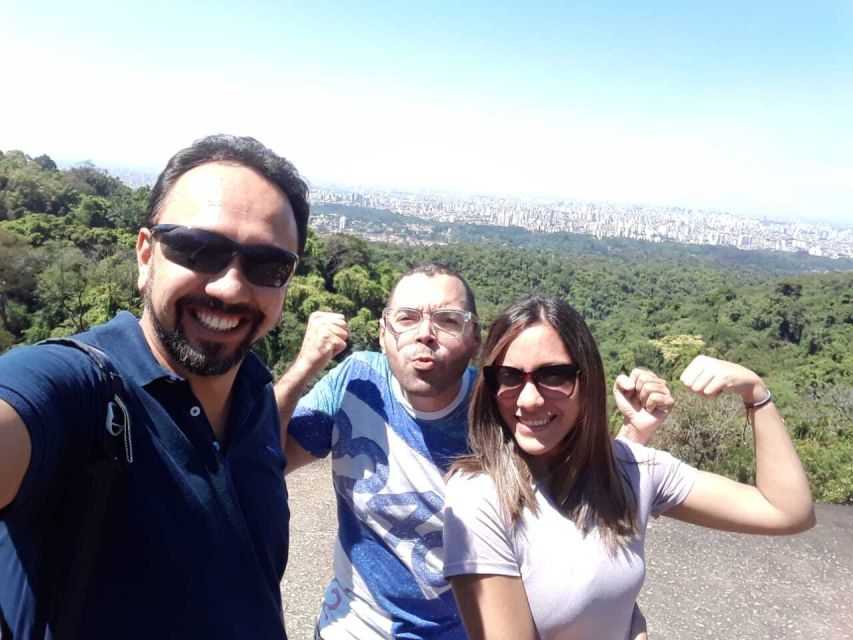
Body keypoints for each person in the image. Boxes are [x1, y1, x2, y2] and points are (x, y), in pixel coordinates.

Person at [0, 134, 309, 639]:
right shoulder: (77, 388)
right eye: (199, 249)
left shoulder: (254, 392)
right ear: (146, 256)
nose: (230, 286)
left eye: (266, 265)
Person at [275, 266, 662, 640]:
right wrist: (303, 367)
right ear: (382, 332)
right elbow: (266, 460)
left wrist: (632, 434)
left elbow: (579, 486)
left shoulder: (501, 408)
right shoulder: (357, 383)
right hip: (354, 627)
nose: (424, 334)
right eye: (406, 318)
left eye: (447, 320)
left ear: (476, 340)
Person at [442, 295, 816, 640]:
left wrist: (756, 394)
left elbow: (786, 511)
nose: (528, 399)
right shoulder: (480, 496)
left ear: (587, 382)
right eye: (507, 377)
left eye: (554, 375)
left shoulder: (633, 470)